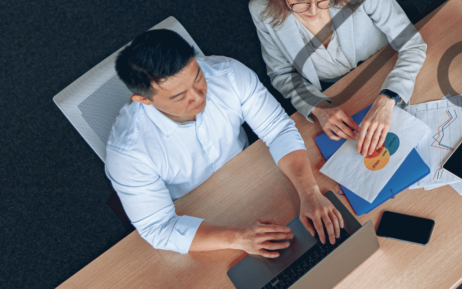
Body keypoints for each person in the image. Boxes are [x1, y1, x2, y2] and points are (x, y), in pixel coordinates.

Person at [105, 29, 344, 256]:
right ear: (143, 99)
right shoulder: (127, 154)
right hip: (195, 210)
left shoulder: (228, 74)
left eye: (197, 77)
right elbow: (158, 227)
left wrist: (310, 193)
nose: (198, 96)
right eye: (179, 96)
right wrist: (237, 238)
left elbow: (278, 129)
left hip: (253, 172)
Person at [248, 0, 427, 158]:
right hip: (337, 94)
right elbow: (282, 73)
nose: (314, 12)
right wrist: (317, 107)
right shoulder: (262, 11)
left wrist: (388, 98)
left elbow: (412, 44)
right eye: (300, 1)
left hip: (389, 70)